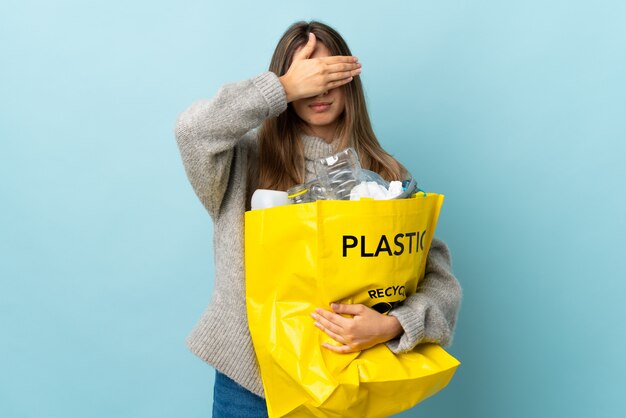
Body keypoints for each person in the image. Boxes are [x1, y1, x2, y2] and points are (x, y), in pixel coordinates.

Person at [175, 20, 462, 418]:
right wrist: (282, 89)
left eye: (330, 74)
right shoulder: (244, 161)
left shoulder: (386, 173)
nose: (321, 88)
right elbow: (192, 132)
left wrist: (394, 325)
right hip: (250, 383)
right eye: (308, 75)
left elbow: (438, 277)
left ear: (350, 81)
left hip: (345, 385)